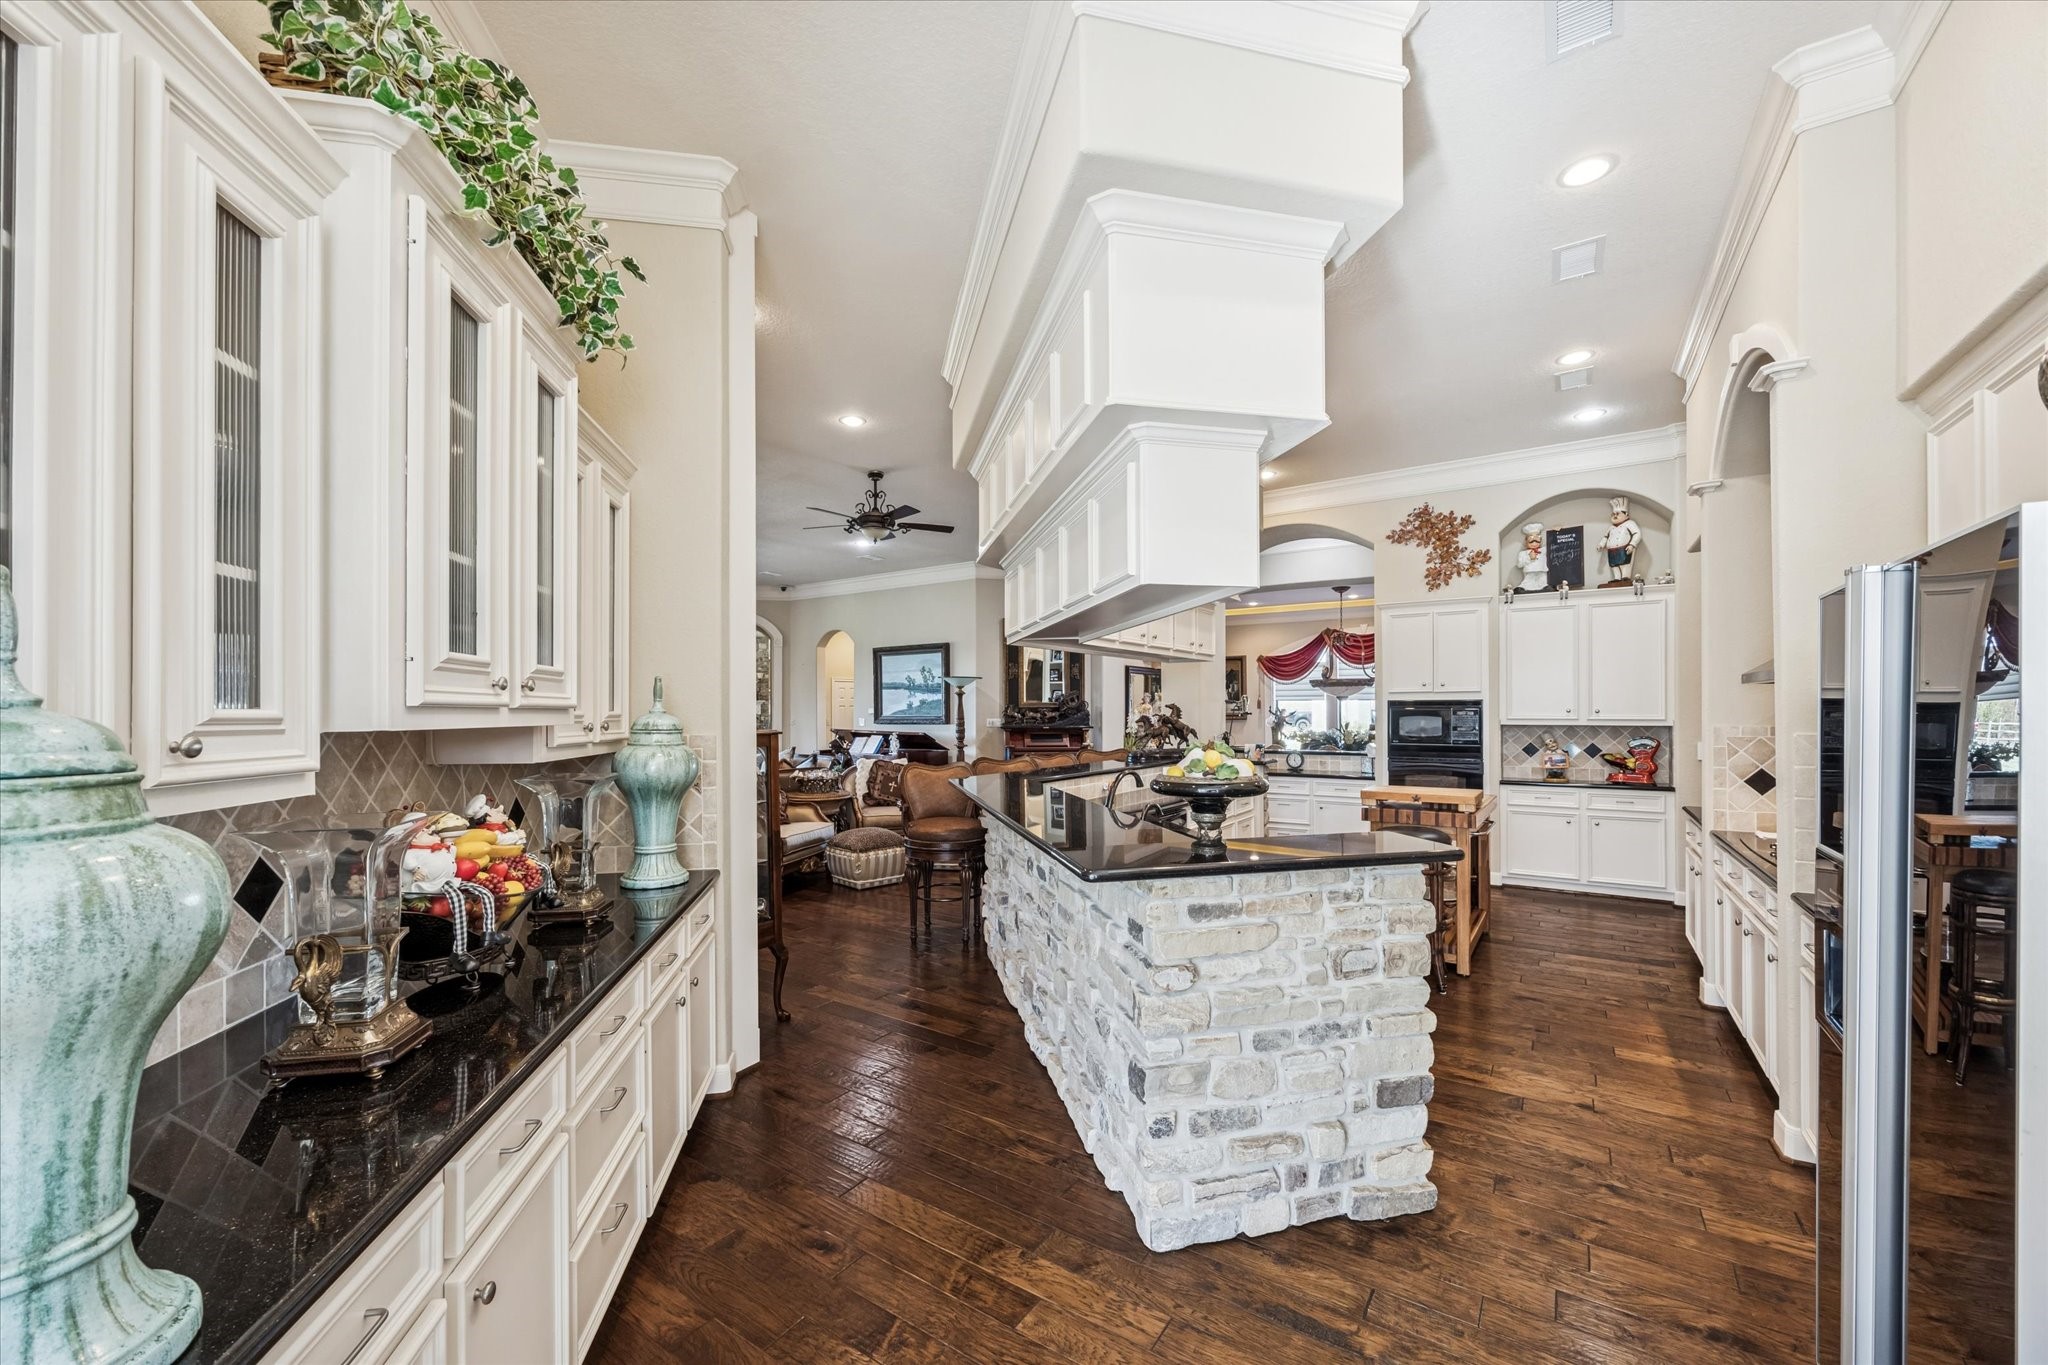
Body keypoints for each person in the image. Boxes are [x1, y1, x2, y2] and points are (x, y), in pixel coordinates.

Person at [1603, 497, 1641, 583]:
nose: (1615, 516)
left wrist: (1632, 544)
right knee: (1614, 565)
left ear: (1626, 514)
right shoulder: (1611, 527)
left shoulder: (1630, 523)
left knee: (1625, 563)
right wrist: (1601, 544)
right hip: (1611, 550)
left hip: (1624, 548)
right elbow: (1605, 537)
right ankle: (1617, 578)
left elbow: (1637, 533)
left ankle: (1625, 577)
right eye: (1613, 514)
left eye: (1617, 514)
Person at [1515, 521, 1548, 592]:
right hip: (1529, 572)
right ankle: (1524, 589)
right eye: (1531, 542)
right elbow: (1519, 565)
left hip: (1541, 571)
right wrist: (1529, 558)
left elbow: (1553, 549)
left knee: (1542, 581)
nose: (1534, 544)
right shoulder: (1523, 553)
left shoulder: (1544, 550)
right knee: (1527, 582)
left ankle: (1543, 587)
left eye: (1537, 541)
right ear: (1526, 542)